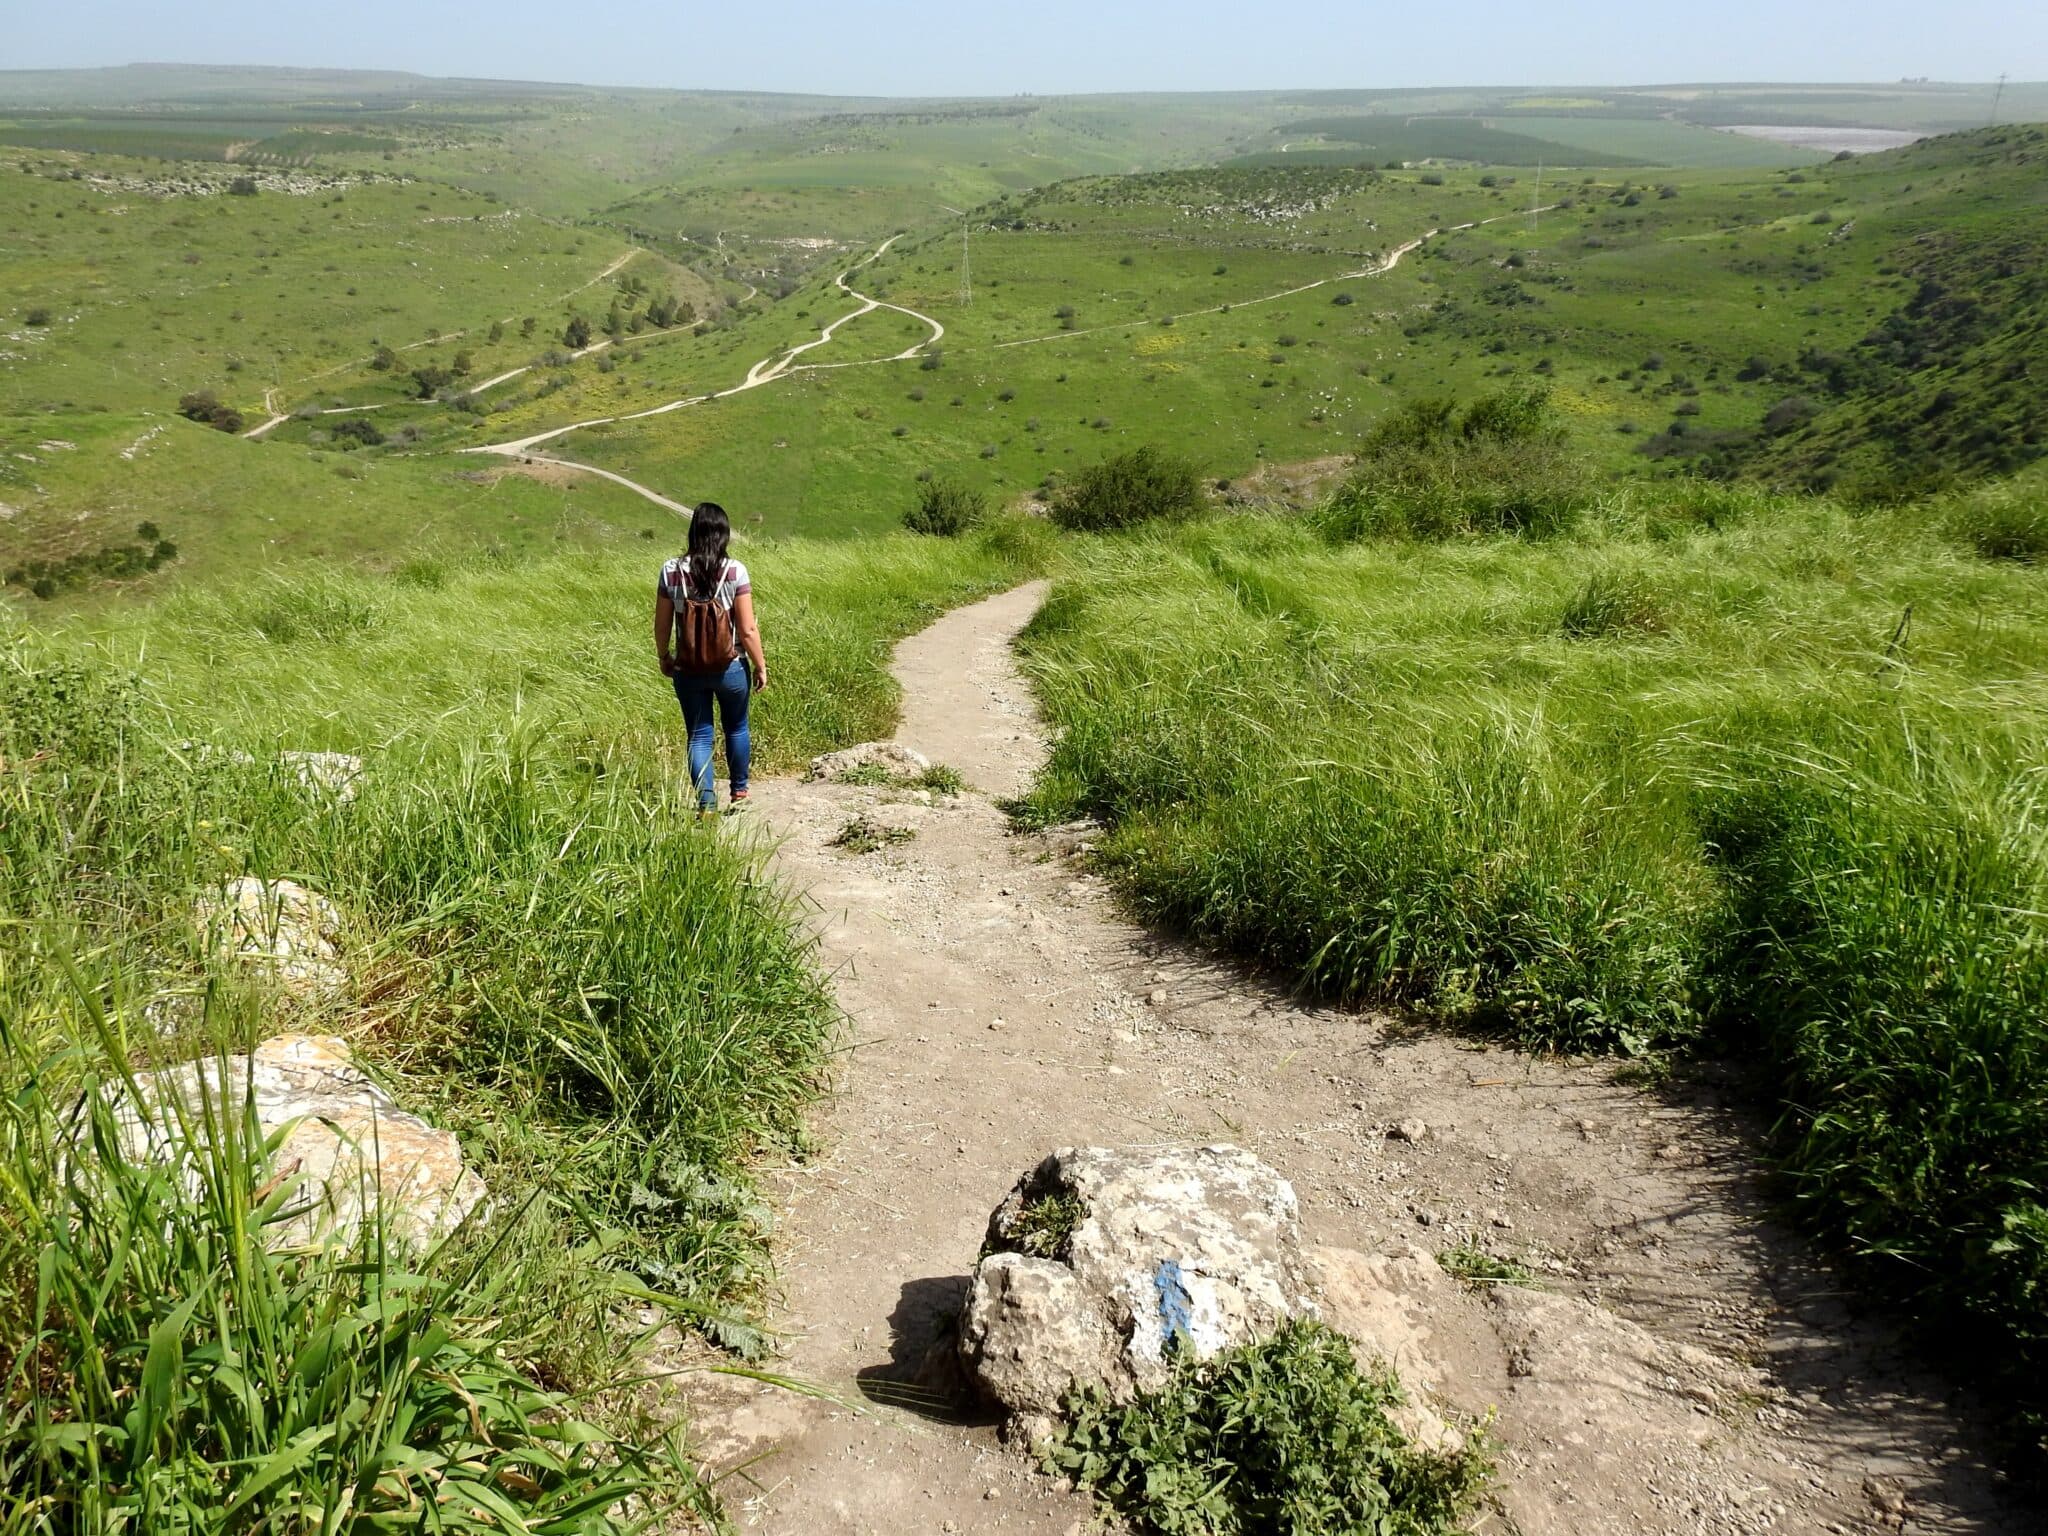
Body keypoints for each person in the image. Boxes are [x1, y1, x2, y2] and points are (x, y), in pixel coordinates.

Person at [655, 502, 768, 815]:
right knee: (736, 727)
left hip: (687, 667)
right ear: (723, 534)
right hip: (730, 666)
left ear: (693, 532)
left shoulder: (670, 570)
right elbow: (746, 629)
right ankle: (740, 793)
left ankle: (706, 803)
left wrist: (665, 655)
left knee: (700, 734)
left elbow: (662, 623)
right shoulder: (735, 571)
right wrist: (760, 665)